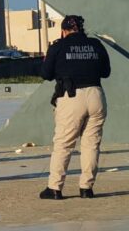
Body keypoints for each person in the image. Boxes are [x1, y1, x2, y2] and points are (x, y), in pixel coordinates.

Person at [39, 14, 111, 200]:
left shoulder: (58, 46)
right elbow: (106, 72)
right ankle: (86, 188)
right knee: (91, 144)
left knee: (64, 144)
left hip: (71, 97)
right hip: (96, 95)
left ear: (64, 31)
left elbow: (45, 74)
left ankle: (55, 188)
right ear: (81, 29)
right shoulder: (95, 45)